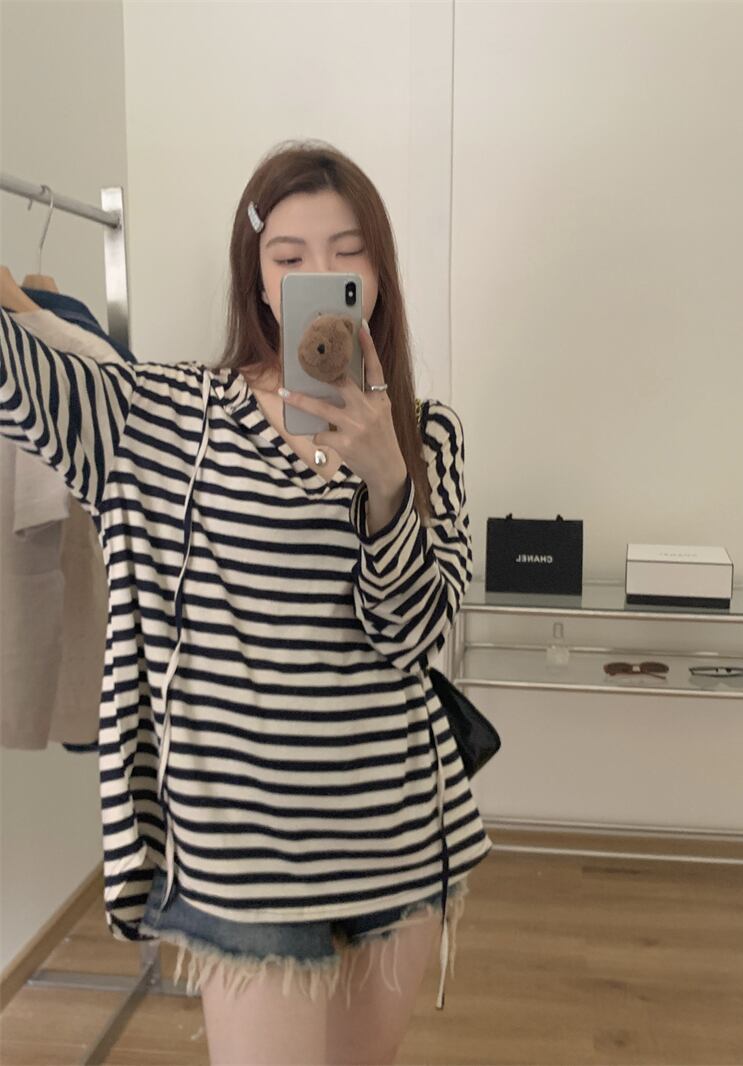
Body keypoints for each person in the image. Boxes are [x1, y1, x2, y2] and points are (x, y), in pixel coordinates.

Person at [0, 139, 492, 1065]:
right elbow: (21, 384)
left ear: (379, 275)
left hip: (399, 834)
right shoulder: (161, 418)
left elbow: (414, 636)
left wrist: (388, 480)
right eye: (289, 256)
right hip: (246, 859)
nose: (319, 274)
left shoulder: (427, 434)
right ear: (258, 281)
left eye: (348, 252)